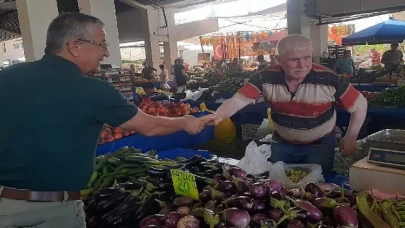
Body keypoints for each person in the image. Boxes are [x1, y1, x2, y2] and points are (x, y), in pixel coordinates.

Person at [0, 13, 215, 228]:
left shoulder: (7, 77)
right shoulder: (91, 89)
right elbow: (151, 126)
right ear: (75, 46)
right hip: (53, 211)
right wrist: (186, 121)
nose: (106, 52)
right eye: (101, 44)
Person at [206, 35, 368, 173]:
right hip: (282, 145)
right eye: (294, 60)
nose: (302, 65)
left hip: (319, 147)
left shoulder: (329, 79)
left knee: (317, 190)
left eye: (307, 58)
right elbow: (238, 100)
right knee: (281, 188)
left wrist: (351, 136)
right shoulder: (264, 78)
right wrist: (219, 115)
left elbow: (360, 104)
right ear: (278, 60)